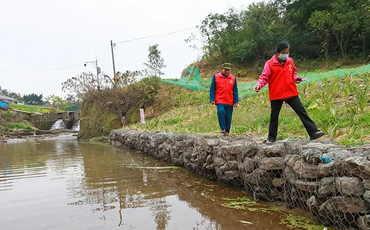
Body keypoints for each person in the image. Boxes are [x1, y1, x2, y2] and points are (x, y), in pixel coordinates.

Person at [253, 41, 324, 142]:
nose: (286, 54)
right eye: (284, 52)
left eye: (287, 52)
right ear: (278, 52)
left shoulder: (290, 61)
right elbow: (264, 77)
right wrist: (259, 85)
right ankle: (271, 138)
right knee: (274, 116)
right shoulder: (269, 64)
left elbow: (293, 73)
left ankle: (313, 132)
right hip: (277, 93)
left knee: (301, 111)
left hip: (291, 92)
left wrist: (296, 79)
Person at [210, 63, 239, 135]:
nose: (227, 71)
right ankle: (222, 128)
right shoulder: (216, 77)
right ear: (222, 69)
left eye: (228, 70)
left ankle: (227, 131)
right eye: (226, 70)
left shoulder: (233, 78)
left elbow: (235, 90)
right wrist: (212, 99)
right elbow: (212, 89)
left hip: (229, 100)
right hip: (219, 99)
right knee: (221, 112)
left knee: (228, 116)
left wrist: (236, 101)